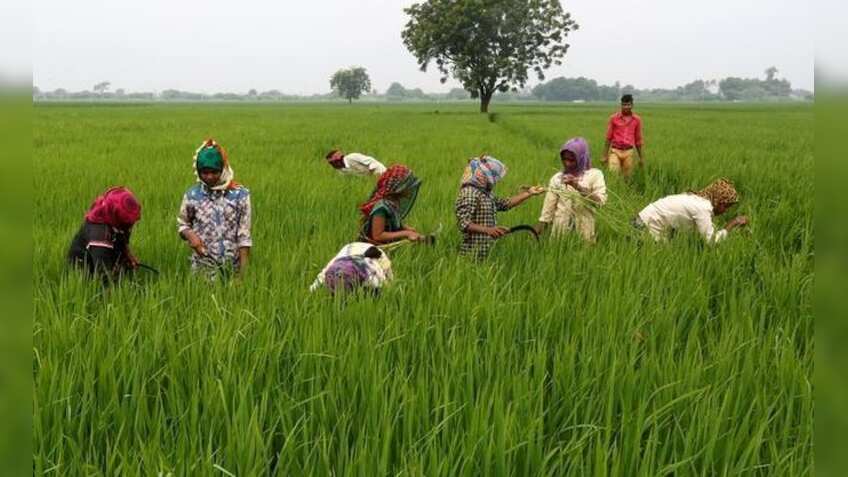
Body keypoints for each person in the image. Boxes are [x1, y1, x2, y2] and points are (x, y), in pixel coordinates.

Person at [177, 139, 252, 279]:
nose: (209, 177)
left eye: (214, 172)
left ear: (223, 169)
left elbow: (244, 236)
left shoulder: (240, 195)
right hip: (202, 269)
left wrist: (242, 276)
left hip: (232, 269)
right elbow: (183, 224)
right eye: (204, 172)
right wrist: (190, 235)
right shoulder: (192, 195)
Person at [454, 155, 544, 260]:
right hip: (471, 253)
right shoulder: (469, 193)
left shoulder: (485, 193)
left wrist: (529, 193)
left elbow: (504, 204)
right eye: (488, 177)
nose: (492, 182)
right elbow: (463, 223)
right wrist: (488, 230)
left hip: (485, 251)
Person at [535, 137, 607, 242]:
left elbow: (600, 202)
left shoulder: (594, 175)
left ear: (581, 158)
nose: (567, 163)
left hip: (585, 234)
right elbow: (548, 211)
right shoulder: (557, 179)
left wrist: (577, 186)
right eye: (564, 159)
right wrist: (536, 231)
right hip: (559, 235)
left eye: (572, 160)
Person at [634, 178, 748, 243]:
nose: (725, 211)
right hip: (645, 228)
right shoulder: (702, 209)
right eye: (725, 206)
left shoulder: (697, 200)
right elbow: (712, 241)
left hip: (641, 221)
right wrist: (733, 223)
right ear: (717, 200)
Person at [67, 186, 142, 281]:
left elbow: (123, 238)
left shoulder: (116, 218)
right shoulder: (99, 234)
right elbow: (103, 272)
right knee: (103, 281)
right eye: (129, 223)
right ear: (117, 216)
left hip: (106, 251)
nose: (131, 225)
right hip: (86, 265)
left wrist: (128, 255)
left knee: (123, 269)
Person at [359, 164, 423, 244]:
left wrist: (405, 228)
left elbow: (392, 221)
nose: (410, 189)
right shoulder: (381, 207)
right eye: (408, 185)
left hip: (388, 242)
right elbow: (378, 235)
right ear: (398, 187)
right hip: (373, 247)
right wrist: (406, 233)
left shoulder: (393, 203)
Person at [309, 242, 393, 295]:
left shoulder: (372, 274)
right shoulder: (331, 269)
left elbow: (388, 286)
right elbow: (319, 279)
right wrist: (311, 291)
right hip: (350, 248)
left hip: (376, 253)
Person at [602, 94, 644, 176]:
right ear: (621, 105)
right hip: (615, 151)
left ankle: (624, 188)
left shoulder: (637, 120)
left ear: (632, 105)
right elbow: (608, 137)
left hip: (629, 152)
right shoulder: (614, 118)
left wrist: (641, 158)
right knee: (613, 174)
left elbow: (638, 140)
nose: (626, 107)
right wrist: (604, 155)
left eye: (628, 105)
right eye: (624, 105)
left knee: (627, 177)